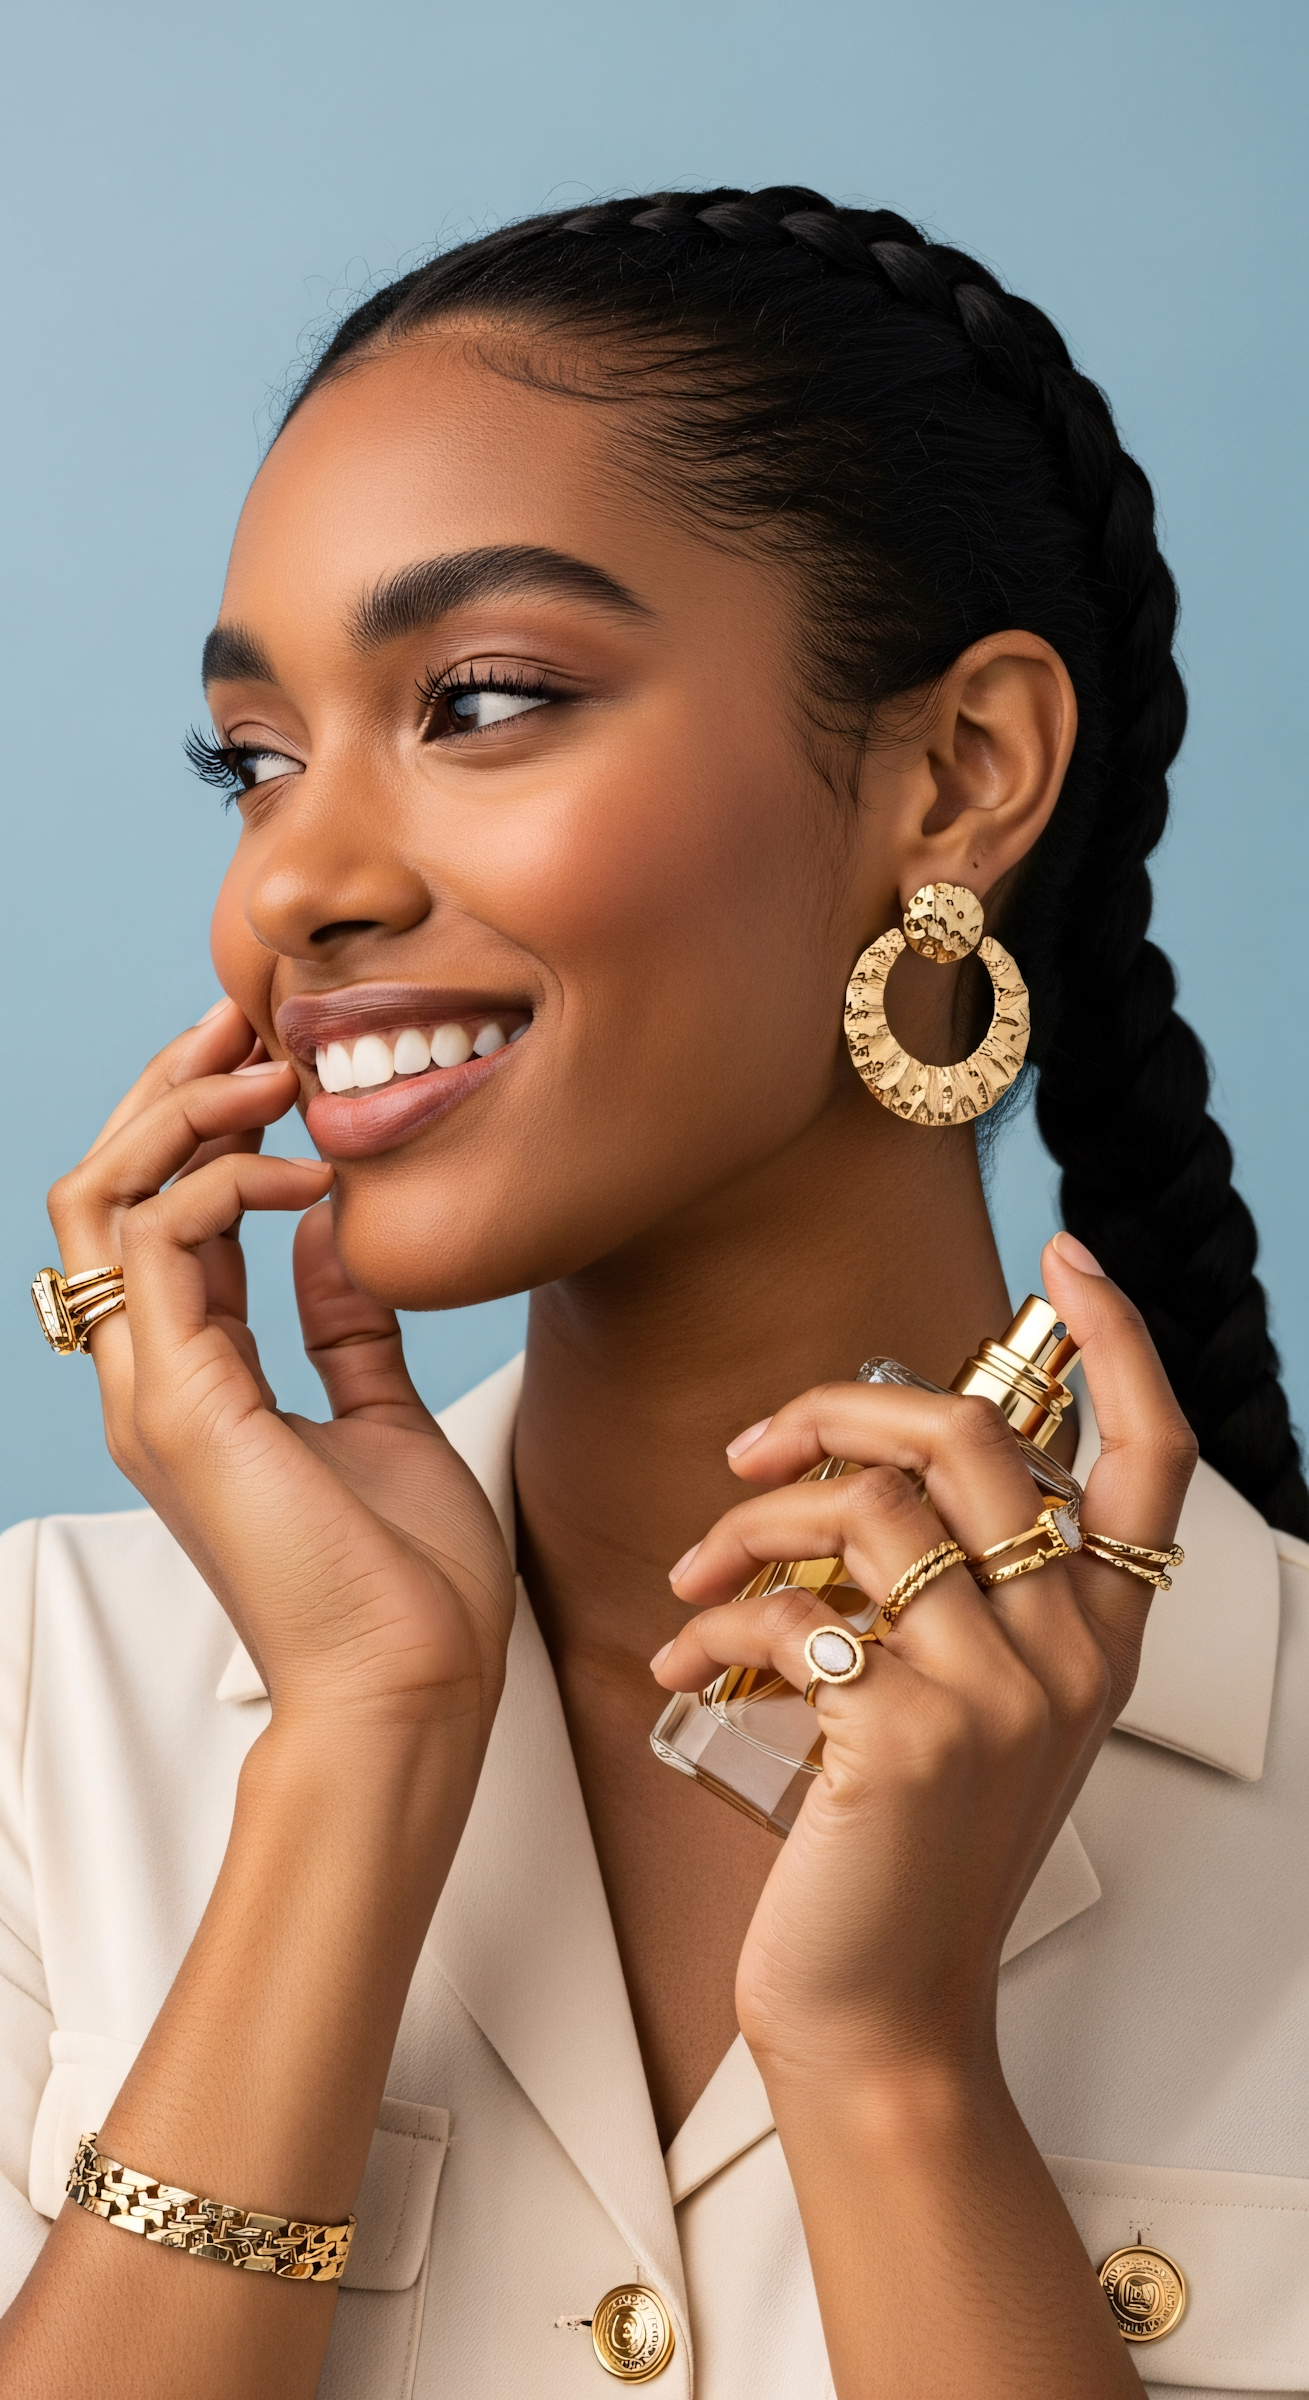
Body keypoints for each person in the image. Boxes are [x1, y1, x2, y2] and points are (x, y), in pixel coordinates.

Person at [0, 187, 1305, 2400]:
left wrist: (890, 2074)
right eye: (256, 760)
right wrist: (359, 1750)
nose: (292, 886)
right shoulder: (48, 1717)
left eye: (482, 702)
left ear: (960, 774)